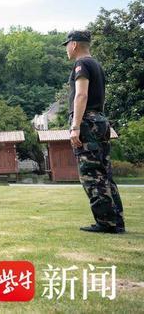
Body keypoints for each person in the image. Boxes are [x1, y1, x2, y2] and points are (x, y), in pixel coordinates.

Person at [64, 30, 125, 234]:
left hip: (87, 122)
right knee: (105, 173)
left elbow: (81, 95)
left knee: (91, 173)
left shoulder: (81, 65)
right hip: (99, 120)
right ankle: (116, 221)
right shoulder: (96, 65)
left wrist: (75, 127)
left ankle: (105, 222)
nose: (66, 49)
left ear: (73, 45)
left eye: (67, 45)